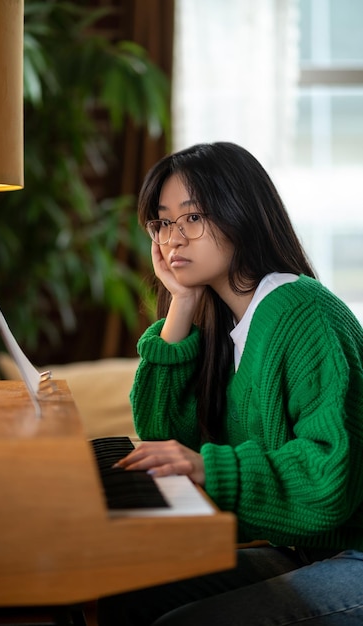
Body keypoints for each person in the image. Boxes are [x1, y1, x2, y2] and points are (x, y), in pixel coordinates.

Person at [97, 142, 363, 625]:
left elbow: (330, 479)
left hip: (354, 555)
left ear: (241, 214)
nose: (172, 239)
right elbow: (162, 433)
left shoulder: (300, 310)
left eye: (192, 217)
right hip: (306, 550)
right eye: (162, 222)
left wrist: (208, 467)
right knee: (128, 591)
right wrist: (181, 300)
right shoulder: (228, 322)